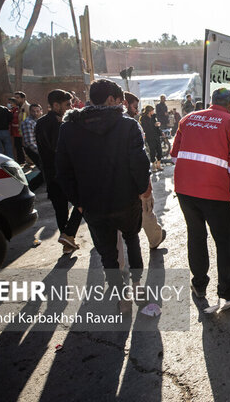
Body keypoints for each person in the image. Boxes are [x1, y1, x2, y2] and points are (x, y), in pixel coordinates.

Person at [56, 79, 151, 314]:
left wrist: (78, 202)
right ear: (111, 99)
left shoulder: (68, 127)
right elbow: (139, 163)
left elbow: (62, 170)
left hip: (92, 205)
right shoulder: (127, 126)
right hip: (126, 200)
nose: (123, 105)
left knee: (108, 253)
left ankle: (122, 298)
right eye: (120, 100)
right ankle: (138, 286)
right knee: (132, 240)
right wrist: (144, 191)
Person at [169, 88, 230, 302]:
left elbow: (175, 155)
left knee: (195, 235)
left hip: (185, 190)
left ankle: (199, 284)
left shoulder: (187, 119)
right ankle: (226, 289)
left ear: (211, 101)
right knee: (224, 241)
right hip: (215, 193)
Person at [35, 89, 83, 254]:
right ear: (55, 105)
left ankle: (67, 242)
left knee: (61, 209)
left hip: (52, 173)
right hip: (62, 173)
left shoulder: (43, 122)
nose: (70, 107)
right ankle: (69, 234)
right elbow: (57, 147)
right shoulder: (52, 123)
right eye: (67, 105)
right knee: (81, 202)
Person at [124, 91, 166, 250]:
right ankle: (155, 239)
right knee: (145, 211)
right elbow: (138, 159)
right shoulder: (129, 124)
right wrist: (145, 186)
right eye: (134, 107)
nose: (136, 110)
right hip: (132, 180)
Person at [20, 103, 44, 189]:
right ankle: (30, 188)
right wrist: (43, 152)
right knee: (45, 171)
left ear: (41, 111)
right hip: (33, 150)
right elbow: (30, 143)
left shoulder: (39, 121)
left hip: (38, 148)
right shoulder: (28, 122)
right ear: (30, 112)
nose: (36, 113)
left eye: (38, 111)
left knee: (46, 171)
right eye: (33, 111)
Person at [140, 105, 163, 172]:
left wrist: (160, 132)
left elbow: (156, 126)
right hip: (150, 136)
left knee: (159, 150)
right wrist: (154, 125)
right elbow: (145, 128)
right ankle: (153, 166)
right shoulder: (143, 118)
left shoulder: (153, 117)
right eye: (152, 110)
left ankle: (158, 165)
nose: (153, 111)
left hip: (156, 135)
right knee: (152, 151)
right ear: (149, 111)